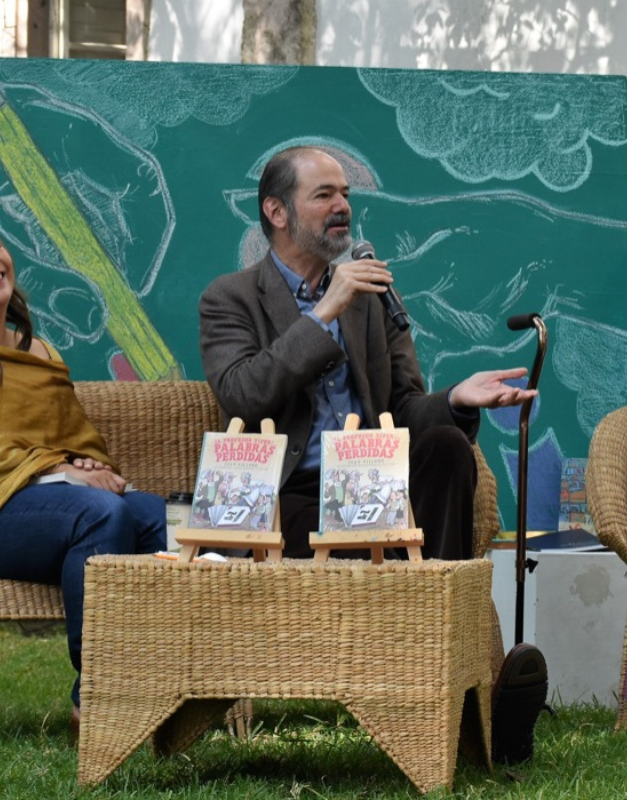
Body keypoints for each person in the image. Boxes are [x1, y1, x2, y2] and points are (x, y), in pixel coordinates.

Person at [196, 145, 548, 760]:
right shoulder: (230, 298)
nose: (343, 208)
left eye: (346, 195)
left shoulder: (373, 292)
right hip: (293, 506)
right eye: (324, 195)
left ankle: (441, 675)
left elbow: (406, 409)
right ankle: (452, 701)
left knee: (444, 446)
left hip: (376, 492)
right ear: (277, 211)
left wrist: (459, 401)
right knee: (363, 519)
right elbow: (244, 395)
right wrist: (326, 310)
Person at [0, 215, 169, 722]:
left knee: (162, 520)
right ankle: (95, 696)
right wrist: (64, 474)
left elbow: (70, 443)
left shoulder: (41, 351)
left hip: (48, 508)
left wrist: (85, 464)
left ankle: (179, 680)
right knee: (97, 514)